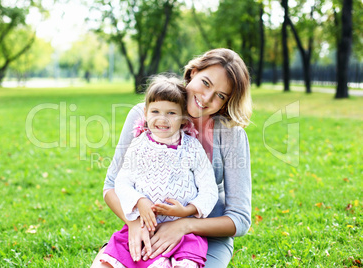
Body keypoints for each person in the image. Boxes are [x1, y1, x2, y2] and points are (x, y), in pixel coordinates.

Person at [92, 48, 252, 268]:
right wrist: (135, 224)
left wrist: (184, 225)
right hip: (148, 227)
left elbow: (240, 219)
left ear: (226, 102)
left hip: (205, 237)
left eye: (221, 95)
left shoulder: (231, 135)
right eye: (205, 83)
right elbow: (112, 185)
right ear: (193, 72)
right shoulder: (146, 114)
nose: (207, 98)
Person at [99, 75, 219, 268]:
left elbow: (209, 190)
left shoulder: (192, 148)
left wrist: (187, 210)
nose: (162, 119)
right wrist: (140, 201)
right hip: (145, 225)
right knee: (120, 259)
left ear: (183, 119)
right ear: (145, 113)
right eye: (155, 111)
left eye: (171, 113)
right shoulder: (139, 145)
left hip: (183, 232)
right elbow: (122, 183)